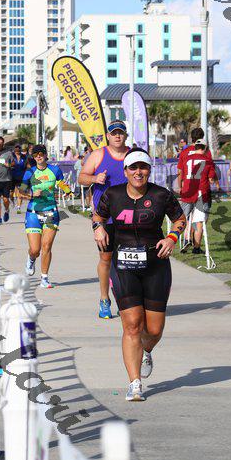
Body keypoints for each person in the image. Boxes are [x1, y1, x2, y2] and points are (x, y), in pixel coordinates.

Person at [92, 147, 186, 401]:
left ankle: (146, 350)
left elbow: (180, 219)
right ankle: (135, 383)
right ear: (125, 171)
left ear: (149, 170)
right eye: (133, 167)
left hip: (156, 265)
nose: (138, 172)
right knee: (132, 324)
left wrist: (172, 237)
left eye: (143, 167)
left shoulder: (161, 195)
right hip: (123, 266)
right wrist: (98, 228)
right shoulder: (113, 194)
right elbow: (98, 216)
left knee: (153, 330)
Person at [79, 120, 130, 319]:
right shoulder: (98, 155)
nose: (117, 136)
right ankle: (104, 299)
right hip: (104, 218)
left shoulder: (132, 155)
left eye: (120, 133)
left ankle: (128, 300)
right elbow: (81, 177)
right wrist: (94, 178)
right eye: (114, 133)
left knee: (128, 260)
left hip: (129, 217)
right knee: (106, 259)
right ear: (108, 136)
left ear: (125, 135)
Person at [20, 144, 72, 288]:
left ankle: (44, 278)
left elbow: (61, 183)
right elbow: (21, 192)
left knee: (47, 246)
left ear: (45, 155)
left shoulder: (55, 170)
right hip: (33, 214)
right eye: (35, 154)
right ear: (33, 157)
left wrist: (67, 191)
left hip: (51, 212)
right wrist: (32, 194)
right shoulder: (30, 172)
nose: (38, 156)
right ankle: (31, 258)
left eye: (41, 153)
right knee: (35, 249)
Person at [176, 129, 218, 254]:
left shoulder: (185, 153)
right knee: (199, 220)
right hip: (201, 190)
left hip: (187, 188)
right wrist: (215, 181)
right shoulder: (206, 153)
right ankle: (196, 246)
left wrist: (180, 186)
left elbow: (180, 171)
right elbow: (211, 175)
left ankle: (185, 239)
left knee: (184, 218)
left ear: (191, 138)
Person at [11, 144, 27, 213]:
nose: (17, 150)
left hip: (22, 177)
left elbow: (27, 165)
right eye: (16, 148)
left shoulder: (24, 157)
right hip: (12, 177)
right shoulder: (11, 156)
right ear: (14, 149)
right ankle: (12, 201)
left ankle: (18, 207)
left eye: (19, 148)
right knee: (11, 193)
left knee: (21, 193)